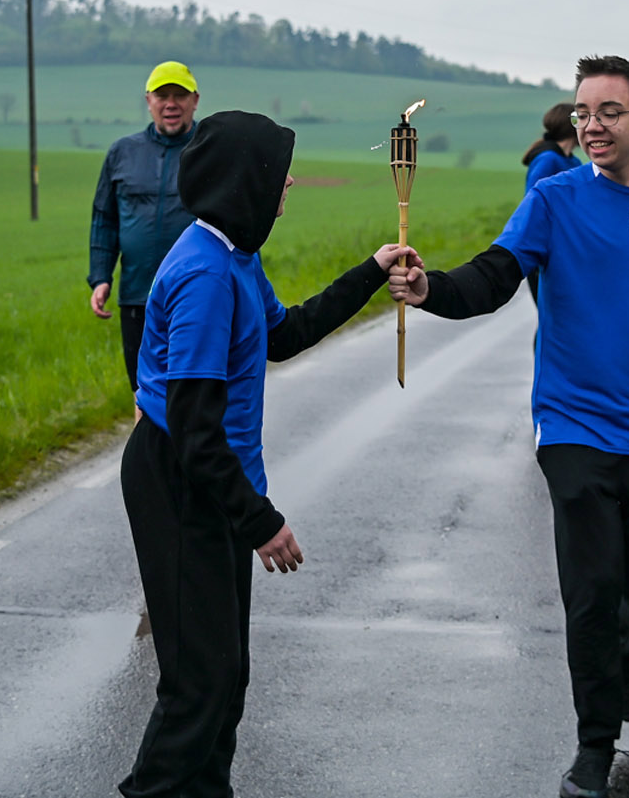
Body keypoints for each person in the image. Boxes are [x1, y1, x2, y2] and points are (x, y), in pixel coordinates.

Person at [388, 56, 629, 798]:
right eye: (583, 112)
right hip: (573, 423)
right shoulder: (554, 198)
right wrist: (429, 288)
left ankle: (624, 654)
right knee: (593, 588)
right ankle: (593, 747)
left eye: (608, 111)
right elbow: (494, 275)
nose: (592, 125)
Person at [119, 110, 419, 798]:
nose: (287, 182)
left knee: (226, 675)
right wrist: (260, 521)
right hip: (179, 478)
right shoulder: (204, 274)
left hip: (211, 477)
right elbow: (193, 428)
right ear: (243, 179)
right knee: (198, 682)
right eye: (278, 171)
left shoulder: (235, 256)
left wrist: (371, 273)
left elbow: (284, 334)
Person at [87, 60, 202, 415]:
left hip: (198, 296)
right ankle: (149, 450)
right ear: (148, 100)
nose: (171, 104)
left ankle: (190, 451)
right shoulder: (122, 152)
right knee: (144, 394)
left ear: (195, 100)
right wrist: (101, 277)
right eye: (162, 96)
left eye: (180, 95)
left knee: (195, 397)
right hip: (138, 296)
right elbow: (104, 218)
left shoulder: (210, 149)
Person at [521, 102, 581, 302]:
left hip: (566, 247)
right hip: (546, 249)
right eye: (582, 119)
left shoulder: (573, 161)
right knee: (551, 314)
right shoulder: (548, 160)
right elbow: (533, 204)